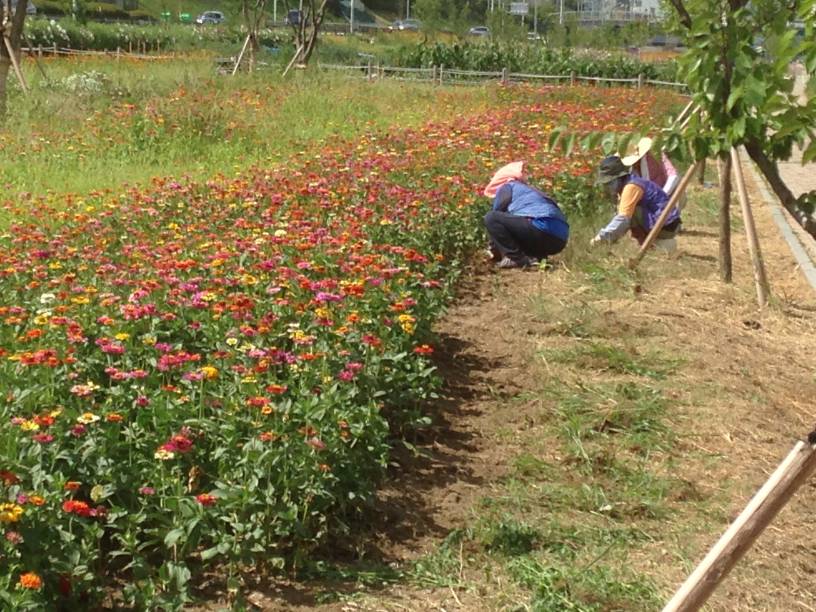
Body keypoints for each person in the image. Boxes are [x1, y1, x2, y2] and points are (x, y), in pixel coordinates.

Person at [482, 161, 569, 269]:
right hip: (559, 240)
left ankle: (514, 258)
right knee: (517, 223)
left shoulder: (508, 186)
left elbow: (498, 214)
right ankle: (536, 257)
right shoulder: (530, 191)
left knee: (491, 218)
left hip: (540, 229)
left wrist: (493, 247)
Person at [591, 155, 680, 251]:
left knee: (631, 212)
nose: (607, 187)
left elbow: (622, 220)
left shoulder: (631, 187)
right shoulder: (630, 182)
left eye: (609, 183)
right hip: (666, 224)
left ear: (618, 178)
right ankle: (648, 244)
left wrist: (601, 238)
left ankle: (651, 245)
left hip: (667, 226)